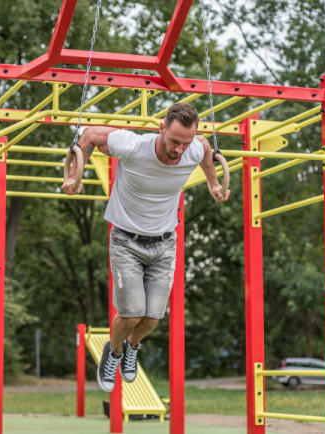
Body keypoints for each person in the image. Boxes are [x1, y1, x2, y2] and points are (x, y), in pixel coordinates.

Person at [62, 102, 229, 392]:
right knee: (131, 314)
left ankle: (131, 347)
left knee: (153, 317)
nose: (178, 149)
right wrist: (73, 174)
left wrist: (213, 183)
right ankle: (113, 353)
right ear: (161, 128)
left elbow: (204, 152)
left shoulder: (194, 147)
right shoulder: (132, 145)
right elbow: (88, 135)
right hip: (126, 241)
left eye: (184, 142)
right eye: (174, 140)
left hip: (165, 243)